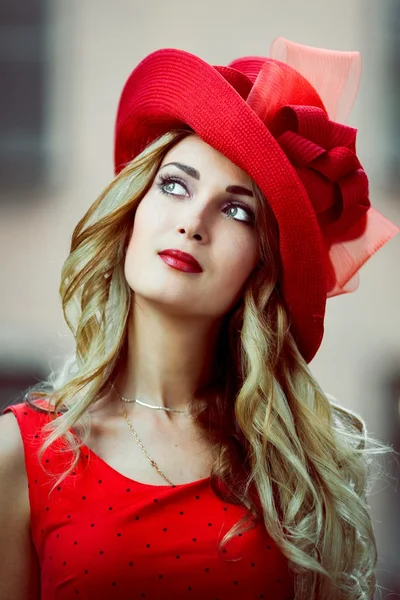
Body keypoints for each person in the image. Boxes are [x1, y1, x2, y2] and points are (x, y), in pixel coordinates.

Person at [0, 36, 398, 600]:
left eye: (237, 209)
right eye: (175, 185)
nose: (193, 222)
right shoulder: (22, 453)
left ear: (262, 262)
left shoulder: (290, 463)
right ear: (132, 209)